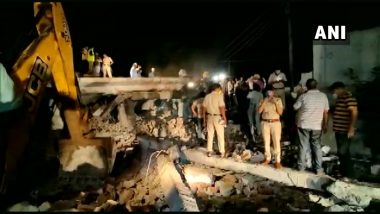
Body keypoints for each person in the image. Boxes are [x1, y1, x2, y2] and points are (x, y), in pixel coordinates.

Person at [293, 79, 329, 175]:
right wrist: (325, 125)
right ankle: (318, 169)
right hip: (317, 126)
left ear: (307, 86)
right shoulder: (323, 96)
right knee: (316, 146)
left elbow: (295, 107)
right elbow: (326, 112)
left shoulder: (303, 96)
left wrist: (299, 94)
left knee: (303, 146)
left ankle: (301, 167)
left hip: (304, 125)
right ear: (316, 85)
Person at [328, 81, 358, 178]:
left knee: (343, 152)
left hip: (345, 130)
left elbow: (354, 112)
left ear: (339, 89)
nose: (334, 93)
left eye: (334, 91)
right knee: (341, 153)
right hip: (339, 130)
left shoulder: (349, 98)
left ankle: (350, 175)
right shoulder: (341, 99)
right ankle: (344, 173)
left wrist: (351, 128)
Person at [258, 87, 284, 169]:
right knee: (266, 141)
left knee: (276, 141)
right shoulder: (263, 100)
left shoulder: (278, 100)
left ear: (274, 92)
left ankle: (277, 161)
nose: (270, 93)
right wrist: (265, 101)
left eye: (271, 91)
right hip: (265, 122)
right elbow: (259, 111)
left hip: (275, 123)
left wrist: (275, 103)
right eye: (269, 91)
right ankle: (267, 158)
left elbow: (280, 112)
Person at [203, 83, 227, 158]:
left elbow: (204, 109)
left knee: (210, 135)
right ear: (217, 88)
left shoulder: (207, 96)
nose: (220, 90)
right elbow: (221, 108)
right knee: (220, 135)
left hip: (209, 116)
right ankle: (222, 152)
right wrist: (224, 118)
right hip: (218, 117)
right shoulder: (219, 96)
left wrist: (204, 119)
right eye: (219, 88)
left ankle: (209, 151)